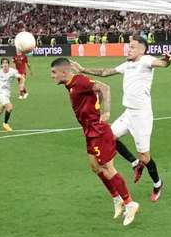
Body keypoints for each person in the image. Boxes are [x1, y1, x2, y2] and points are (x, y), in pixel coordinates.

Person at [70, 36, 171, 202]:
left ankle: (157, 183)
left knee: (145, 157)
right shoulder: (127, 65)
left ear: (142, 50)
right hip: (128, 114)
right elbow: (105, 72)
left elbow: (162, 63)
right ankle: (134, 163)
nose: (128, 49)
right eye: (128, 46)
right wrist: (83, 70)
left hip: (142, 116)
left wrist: (167, 60)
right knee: (109, 136)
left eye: (132, 47)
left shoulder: (146, 60)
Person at [50, 57, 139, 226]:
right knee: (95, 167)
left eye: (54, 72)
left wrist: (105, 112)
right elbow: (95, 93)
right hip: (89, 131)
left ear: (64, 72)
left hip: (98, 130)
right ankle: (116, 199)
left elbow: (104, 88)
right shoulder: (71, 85)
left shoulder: (79, 81)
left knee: (107, 167)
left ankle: (130, 203)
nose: (52, 76)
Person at [0, 58, 24, 132]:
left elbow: (21, 77)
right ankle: (5, 124)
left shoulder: (13, 72)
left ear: (8, 64)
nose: (5, 64)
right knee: (10, 107)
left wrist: (21, 86)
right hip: (1, 92)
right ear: (1, 65)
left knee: (0, 110)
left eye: (6, 63)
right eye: (3, 63)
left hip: (7, 93)